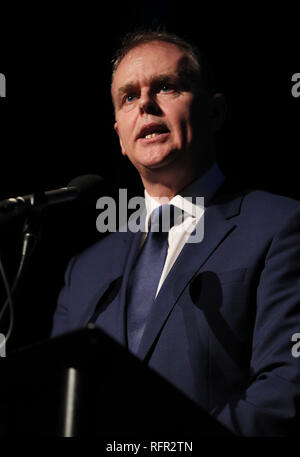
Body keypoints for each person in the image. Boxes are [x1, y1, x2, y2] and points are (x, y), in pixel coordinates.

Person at [51, 29, 300, 436]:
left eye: (166, 87)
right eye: (129, 97)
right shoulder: (86, 270)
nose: (145, 104)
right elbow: (57, 405)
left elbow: (284, 389)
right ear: (120, 137)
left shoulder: (280, 226)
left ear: (215, 112)